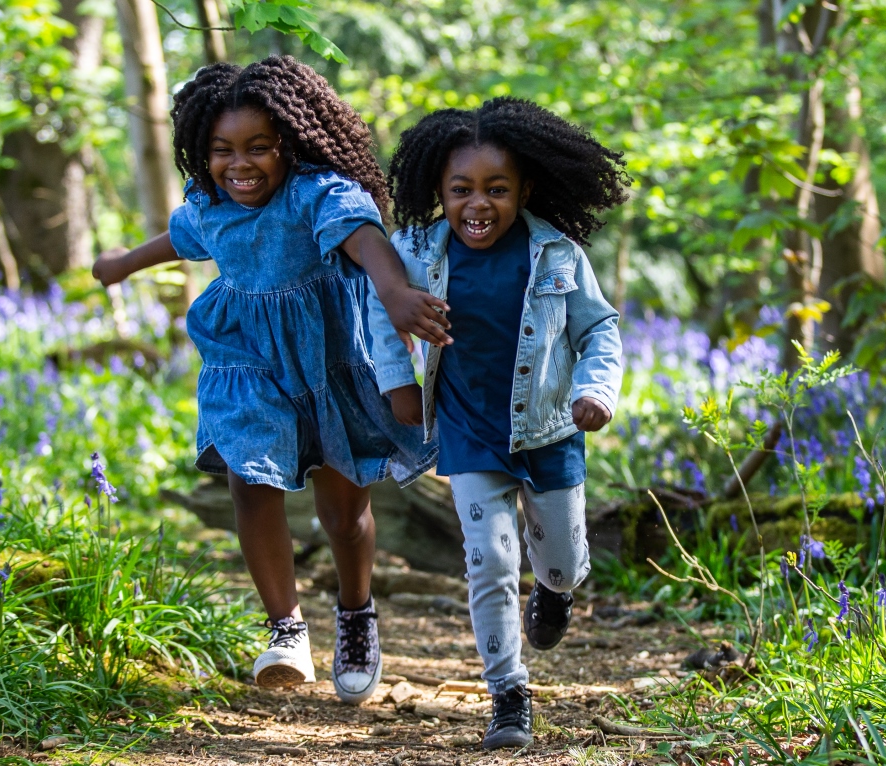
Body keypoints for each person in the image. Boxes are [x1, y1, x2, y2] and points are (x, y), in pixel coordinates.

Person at [93, 56, 447, 705]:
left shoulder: (316, 192)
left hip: (331, 361)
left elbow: (365, 236)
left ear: (290, 143)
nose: (240, 164)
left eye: (258, 147)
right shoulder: (211, 203)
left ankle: (356, 612)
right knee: (247, 474)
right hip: (246, 357)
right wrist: (122, 264)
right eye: (221, 150)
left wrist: (394, 290)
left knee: (344, 515)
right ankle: (286, 629)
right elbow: (180, 237)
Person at [368, 98, 628, 748]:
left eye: (496, 189)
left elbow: (599, 328)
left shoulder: (557, 252)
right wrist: (397, 380)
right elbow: (379, 307)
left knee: (561, 564)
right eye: (461, 189)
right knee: (490, 561)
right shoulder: (415, 250)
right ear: (439, 190)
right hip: (467, 431)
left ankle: (557, 590)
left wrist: (596, 391)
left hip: (550, 429)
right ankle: (508, 695)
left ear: (524, 190)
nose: (477, 204)